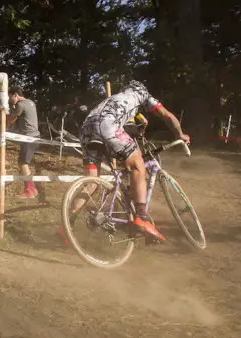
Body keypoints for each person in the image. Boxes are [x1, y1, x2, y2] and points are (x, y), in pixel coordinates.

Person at [77, 80, 190, 241]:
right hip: (108, 125)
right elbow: (167, 115)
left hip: (86, 130)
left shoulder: (116, 97)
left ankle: (66, 227)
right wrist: (180, 134)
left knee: (92, 182)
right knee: (138, 165)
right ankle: (142, 218)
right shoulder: (142, 95)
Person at [6, 86, 41, 198]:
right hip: (35, 136)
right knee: (23, 162)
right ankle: (31, 189)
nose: (10, 99)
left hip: (29, 137)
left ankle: (30, 190)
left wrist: (9, 109)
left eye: (10, 97)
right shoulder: (30, 102)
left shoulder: (20, 105)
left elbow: (11, 120)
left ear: (15, 95)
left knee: (23, 163)